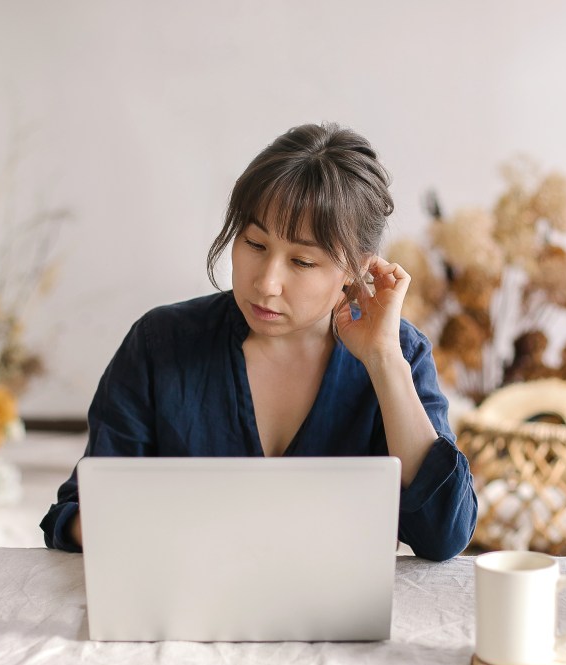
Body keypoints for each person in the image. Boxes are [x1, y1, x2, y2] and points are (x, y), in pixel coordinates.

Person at [40, 122, 477, 561]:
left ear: (355, 269)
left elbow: (443, 533)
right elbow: (77, 512)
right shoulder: (160, 345)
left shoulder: (399, 353)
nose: (266, 284)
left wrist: (383, 361)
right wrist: (117, 525)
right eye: (254, 243)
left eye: (302, 261)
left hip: (335, 626)